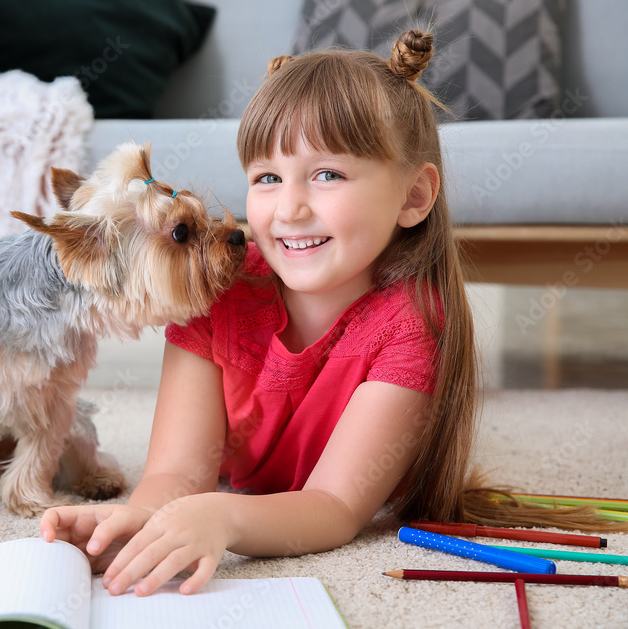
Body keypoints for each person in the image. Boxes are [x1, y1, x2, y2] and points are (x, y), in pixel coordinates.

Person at [40, 29, 620, 597]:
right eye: (267, 177)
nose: (289, 208)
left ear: (414, 197)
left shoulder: (411, 326)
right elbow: (178, 474)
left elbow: (335, 507)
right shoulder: (216, 287)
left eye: (327, 175)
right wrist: (140, 521)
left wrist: (224, 519)